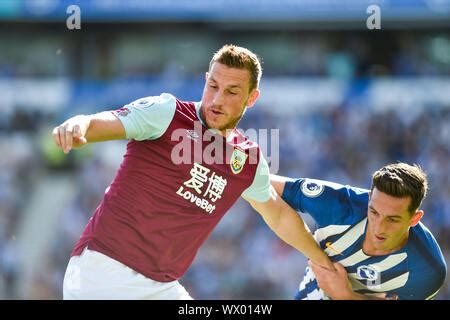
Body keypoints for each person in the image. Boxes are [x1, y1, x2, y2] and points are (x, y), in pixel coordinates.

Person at [52, 44, 333, 299]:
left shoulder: (247, 159)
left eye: (232, 91)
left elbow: (278, 214)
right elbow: (108, 120)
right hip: (103, 271)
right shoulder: (167, 113)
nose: (217, 99)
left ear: (251, 98)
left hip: (161, 287)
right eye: (213, 86)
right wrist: (81, 123)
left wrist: (321, 260)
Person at [271, 162, 447, 300]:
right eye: (374, 212)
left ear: (414, 219)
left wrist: (347, 296)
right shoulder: (339, 206)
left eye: (392, 219)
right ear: (369, 199)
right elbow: (262, 183)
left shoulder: (428, 270)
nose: (379, 227)